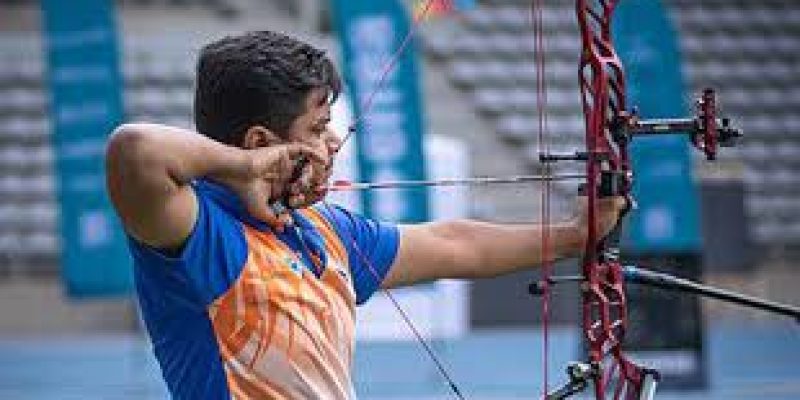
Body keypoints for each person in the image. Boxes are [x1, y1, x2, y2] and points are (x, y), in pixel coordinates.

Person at [105, 30, 624, 399]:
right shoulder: (200, 233)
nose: (334, 142)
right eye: (319, 127)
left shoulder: (324, 230)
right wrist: (246, 168)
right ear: (262, 143)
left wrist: (574, 235)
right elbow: (135, 150)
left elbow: (452, 244)